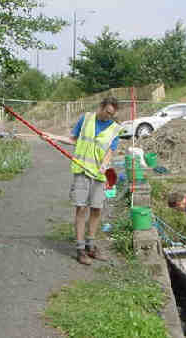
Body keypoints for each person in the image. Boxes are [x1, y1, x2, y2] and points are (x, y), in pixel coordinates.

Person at [45, 97, 122, 265]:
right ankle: (80, 250)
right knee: (81, 210)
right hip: (82, 171)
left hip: (99, 175)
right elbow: (73, 139)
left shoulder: (115, 128)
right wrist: (54, 137)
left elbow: (110, 151)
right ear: (101, 107)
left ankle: (91, 247)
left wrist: (105, 165)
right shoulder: (85, 119)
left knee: (96, 210)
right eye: (107, 112)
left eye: (112, 114)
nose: (109, 116)